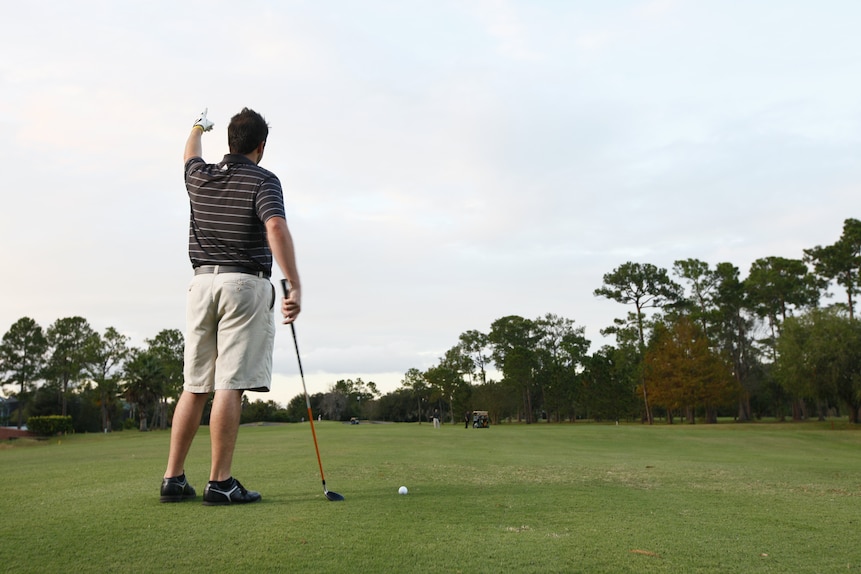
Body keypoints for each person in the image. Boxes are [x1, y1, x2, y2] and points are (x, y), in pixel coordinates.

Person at [160, 108, 301, 505]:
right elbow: (275, 225)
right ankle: (220, 482)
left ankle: (173, 478)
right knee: (229, 383)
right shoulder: (264, 179)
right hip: (243, 284)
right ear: (261, 146)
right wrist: (293, 283)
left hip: (201, 284)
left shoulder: (199, 175)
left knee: (195, 385)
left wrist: (196, 126)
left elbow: (189, 152)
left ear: (229, 141)